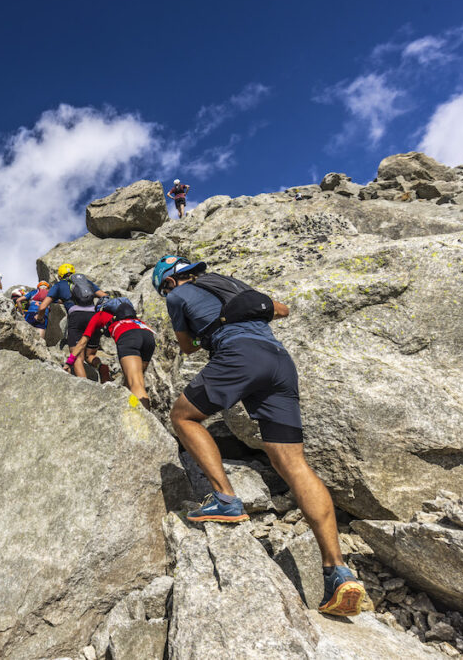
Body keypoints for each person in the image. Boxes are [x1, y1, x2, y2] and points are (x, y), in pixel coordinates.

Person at [153, 254, 366, 617]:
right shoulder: (231, 285)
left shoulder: (177, 296)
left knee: (183, 416)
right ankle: (337, 571)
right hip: (280, 361)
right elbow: (280, 309)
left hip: (239, 355)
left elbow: (187, 347)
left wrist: (207, 333)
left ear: (169, 282)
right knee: (293, 463)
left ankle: (225, 499)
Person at [69, 298, 155, 406]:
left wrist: (69, 362)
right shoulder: (129, 316)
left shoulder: (99, 315)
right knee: (133, 381)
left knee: (136, 384)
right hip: (148, 335)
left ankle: (143, 421)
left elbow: (82, 343)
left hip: (128, 336)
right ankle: (128, 410)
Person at [33, 264, 108, 380]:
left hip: (76, 318)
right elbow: (105, 297)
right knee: (91, 355)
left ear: (60, 275)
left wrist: (39, 317)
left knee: (78, 357)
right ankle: (101, 367)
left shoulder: (59, 285)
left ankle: (85, 387)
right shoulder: (86, 282)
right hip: (94, 317)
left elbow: (43, 307)